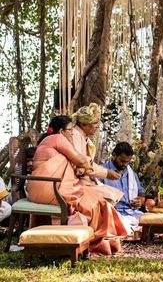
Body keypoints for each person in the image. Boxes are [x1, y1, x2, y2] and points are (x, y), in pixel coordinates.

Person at [27, 115, 127, 255]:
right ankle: (93, 241)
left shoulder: (49, 140)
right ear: (61, 131)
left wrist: (80, 166)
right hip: (51, 189)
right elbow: (79, 159)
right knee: (94, 202)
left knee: (96, 199)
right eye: (69, 130)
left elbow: (74, 161)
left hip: (42, 188)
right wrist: (83, 164)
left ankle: (87, 239)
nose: (72, 133)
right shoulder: (58, 138)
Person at [71, 103, 123, 202]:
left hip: (85, 180)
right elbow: (82, 163)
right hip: (75, 182)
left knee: (113, 194)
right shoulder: (76, 135)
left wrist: (106, 173)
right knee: (110, 196)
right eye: (94, 123)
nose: (97, 127)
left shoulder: (83, 137)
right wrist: (106, 173)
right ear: (83, 124)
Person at [101, 141, 145, 236]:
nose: (125, 164)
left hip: (131, 212)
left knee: (151, 223)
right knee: (122, 226)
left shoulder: (131, 174)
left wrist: (140, 200)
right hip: (113, 213)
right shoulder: (102, 172)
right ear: (114, 155)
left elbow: (141, 191)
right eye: (122, 161)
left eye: (128, 162)